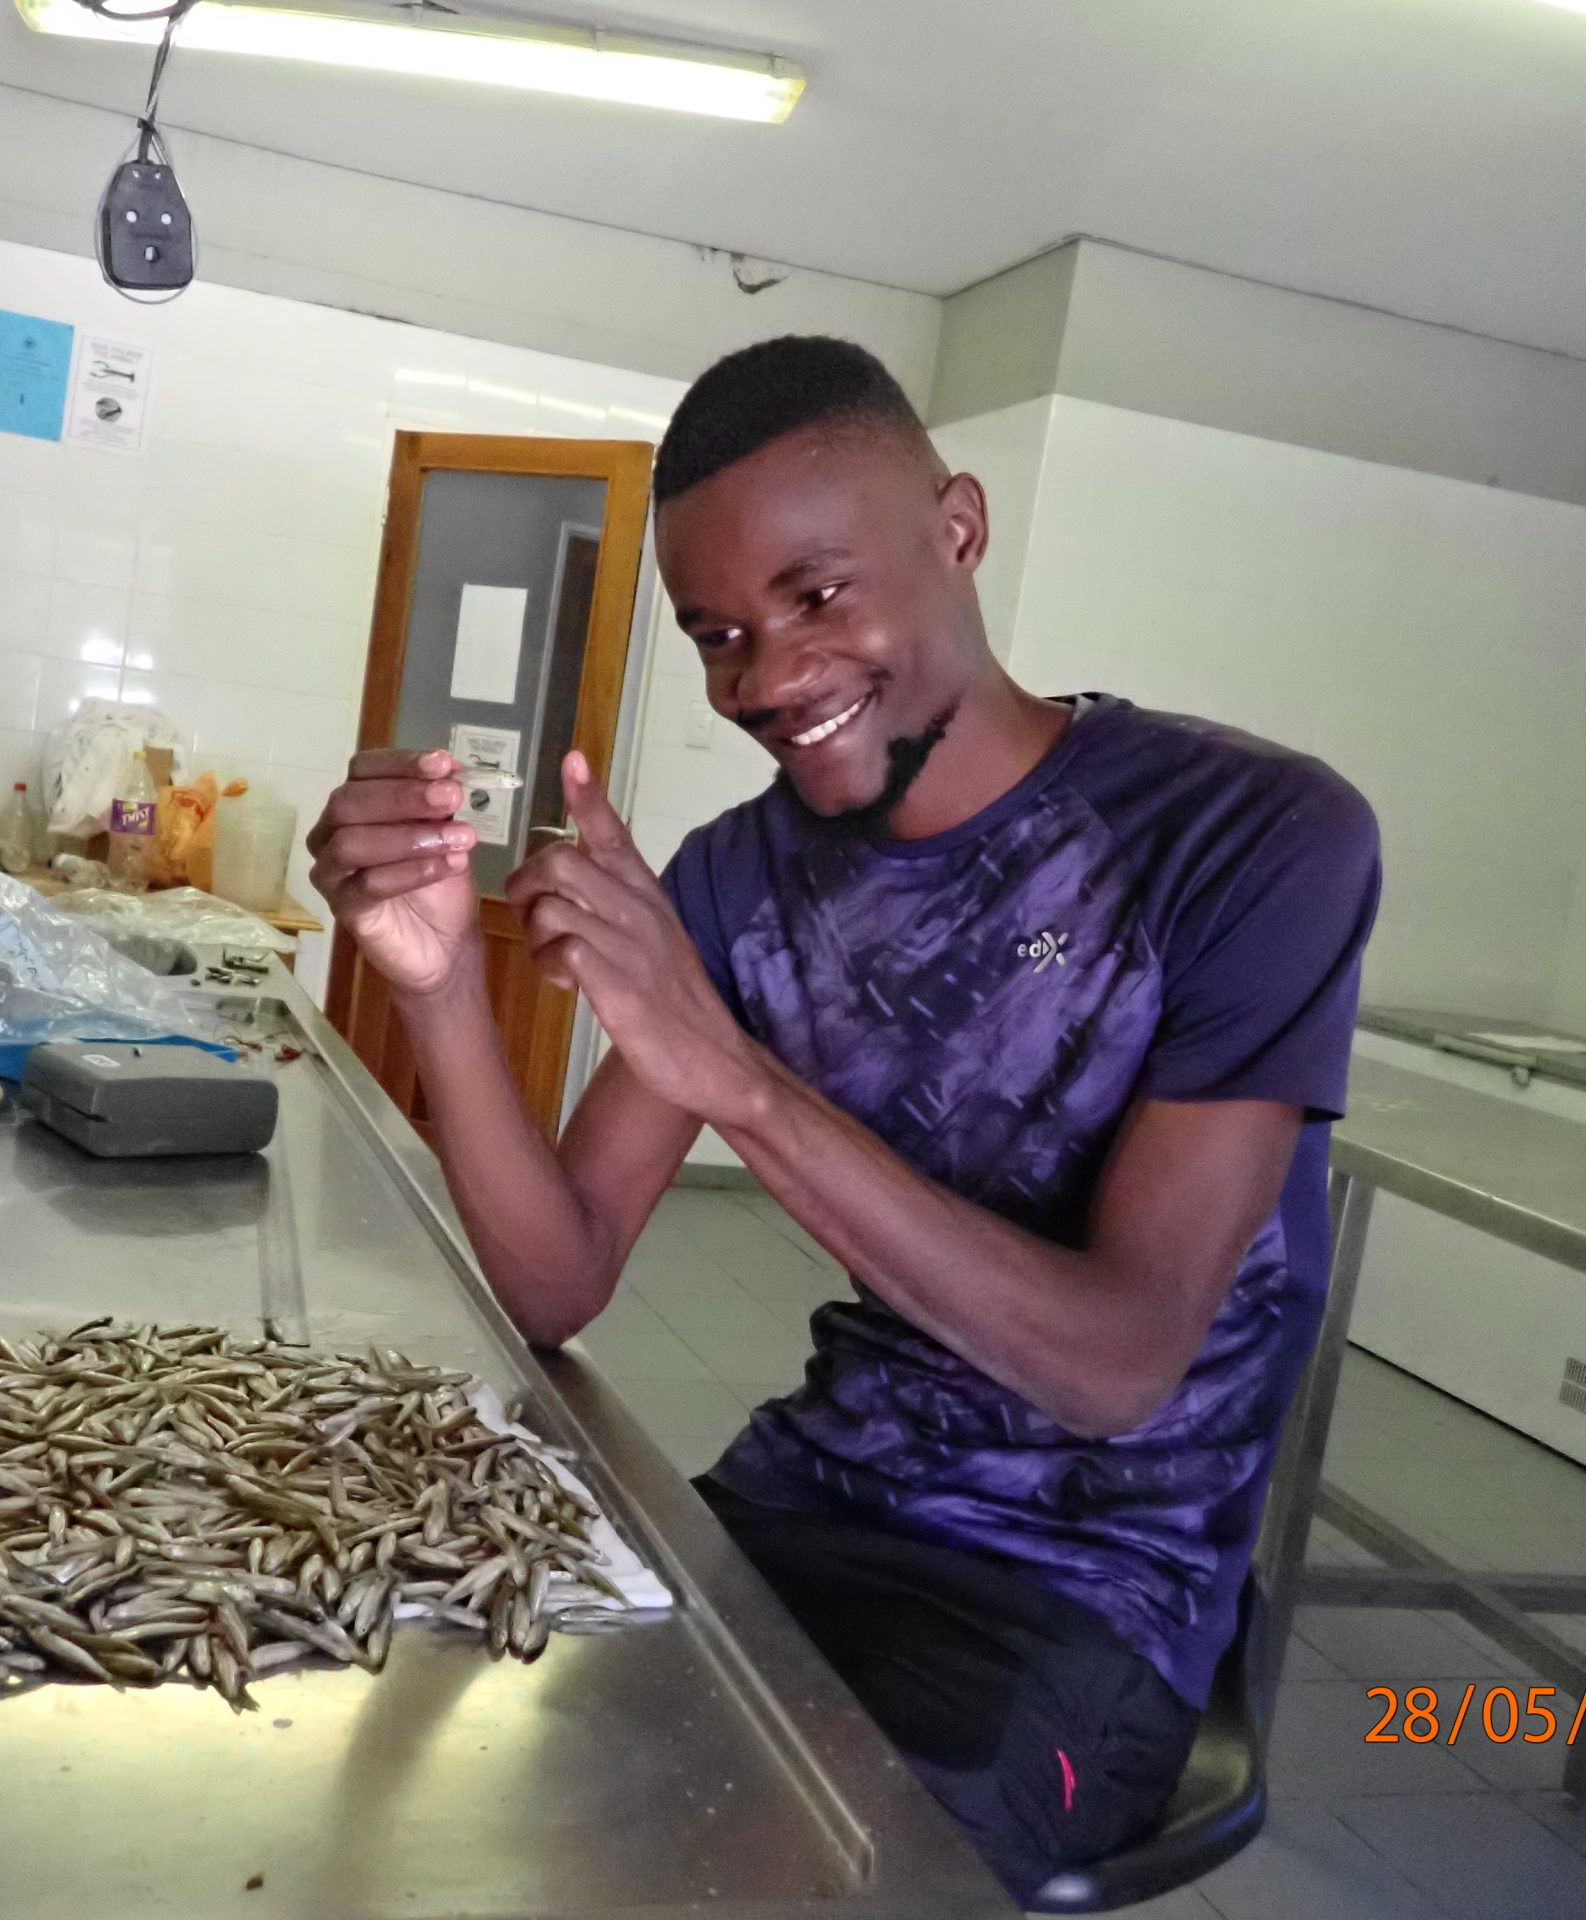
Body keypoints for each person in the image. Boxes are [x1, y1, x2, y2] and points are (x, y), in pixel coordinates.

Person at [307, 334, 1381, 1899]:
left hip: (1082, 1602)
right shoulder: (739, 883)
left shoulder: (1248, 838)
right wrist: (436, 987)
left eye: (819, 596)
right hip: (794, 1507)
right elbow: (556, 1281)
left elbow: (1117, 1363)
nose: (769, 678)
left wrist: (733, 1073)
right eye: (720, 635)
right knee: (462, 1792)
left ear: (958, 528)